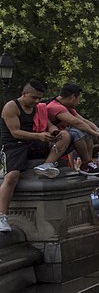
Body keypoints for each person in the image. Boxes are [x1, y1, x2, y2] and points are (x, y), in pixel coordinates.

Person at [0, 80, 70, 233]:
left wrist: (53, 132)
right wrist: (38, 136)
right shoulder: (11, 107)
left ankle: (47, 165)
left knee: (66, 135)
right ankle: (2, 215)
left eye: (39, 98)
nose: (37, 101)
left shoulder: (39, 108)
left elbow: (49, 124)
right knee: (12, 176)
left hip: (35, 141)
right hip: (15, 145)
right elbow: (15, 132)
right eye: (33, 98)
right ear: (24, 94)